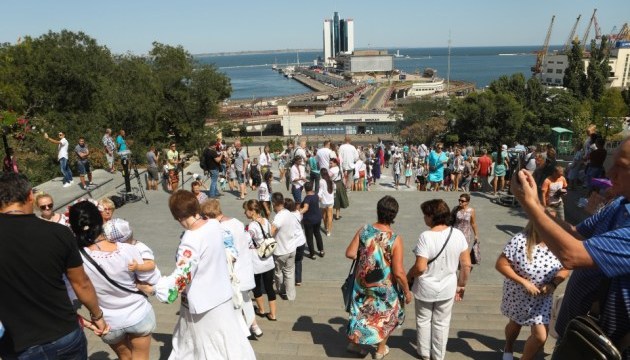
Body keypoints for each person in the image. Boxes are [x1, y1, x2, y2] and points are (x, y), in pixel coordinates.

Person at [510, 136, 630, 360]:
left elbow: (572, 255)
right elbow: (575, 234)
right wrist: (535, 202)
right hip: (580, 333)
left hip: (607, 346)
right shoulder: (619, 204)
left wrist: (527, 204)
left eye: (621, 167)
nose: (610, 173)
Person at [0, 172, 108, 358]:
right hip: (63, 333)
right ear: (30, 197)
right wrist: (97, 316)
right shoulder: (59, 233)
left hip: (17, 342)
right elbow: (81, 283)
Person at [137, 190, 256, 359]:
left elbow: (182, 277)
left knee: (203, 346)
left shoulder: (190, 239)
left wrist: (154, 288)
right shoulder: (214, 224)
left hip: (203, 302)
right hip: (222, 293)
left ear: (178, 216)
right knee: (227, 341)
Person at [70, 201, 160, 359]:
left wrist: (90, 324)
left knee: (125, 357)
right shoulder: (128, 249)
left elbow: (71, 296)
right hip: (138, 313)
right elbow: (151, 278)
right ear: (100, 221)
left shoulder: (76, 260)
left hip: (108, 322)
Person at [345, 196, 412, 359]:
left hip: (362, 283)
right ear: (394, 215)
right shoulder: (395, 239)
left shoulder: (365, 230)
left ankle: (354, 344)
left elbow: (350, 253)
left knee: (361, 312)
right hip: (384, 288)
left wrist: (367, 256)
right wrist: (407, 291)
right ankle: (380, 350)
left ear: (377, 210)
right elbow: (398, 272)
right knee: (389, 314)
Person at [407, 199, 471, 360]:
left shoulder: (426, 236)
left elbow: (420, 267)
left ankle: (424, 352)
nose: (424, 219)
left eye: (425, 215)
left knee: (423, 320)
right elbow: (466, 264)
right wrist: (461, 285)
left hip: (426, 287)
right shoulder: (458, 234)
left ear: (431, 216)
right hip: (448, 286)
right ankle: (438, 355)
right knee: (442, 322)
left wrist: (409, 275)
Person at [496, 221, 569, 360]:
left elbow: (566, 267)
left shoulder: (557, 243)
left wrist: (554, 283)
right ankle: (509, 346)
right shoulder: (520, 240)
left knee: (540, 336)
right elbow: (501, 264)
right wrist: (524, 282)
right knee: (515, 324)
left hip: (543, 297)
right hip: (518, 293)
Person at [202, 199, 262, 338]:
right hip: (246, 267)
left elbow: (224, 252)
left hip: (233, 271)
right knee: (245, 299)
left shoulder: (220, 228)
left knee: (235, 303)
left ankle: (243, 332)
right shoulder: (236, 222)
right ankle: (254, 326)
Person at [243, 199, 278, 322]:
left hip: (256, 261)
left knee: (257, 287)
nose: (244, 213)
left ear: (252, 211)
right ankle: (273, 314)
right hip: (269, 260)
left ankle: (262, 310)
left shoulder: (252, 226)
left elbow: (246, 241)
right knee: (269, 287)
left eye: (246, 210)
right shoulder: (266, 221)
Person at [270, 192, 299, 301]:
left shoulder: (279, 216)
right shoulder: (289, 213)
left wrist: (268, 237)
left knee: (278, 272)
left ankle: (280, 290)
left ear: (274, 203)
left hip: (280, 250)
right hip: (292, 248)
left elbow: (272, 229)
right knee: (290, 272)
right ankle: (291, 296)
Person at [300, 181, 324, 258]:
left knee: (309, 237)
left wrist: (298, 212)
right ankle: (321, 250)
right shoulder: (315, 195)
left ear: (305, 189)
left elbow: (306, 208)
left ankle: (312, 254)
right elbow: (320, 199)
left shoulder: (307, 198)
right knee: (317, 234)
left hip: (309, 220)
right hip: (317, 218)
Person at [319, 168, 335, 237]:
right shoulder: (331, 180)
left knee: (324, 215)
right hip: (330, 200)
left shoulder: (321, 181)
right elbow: (334, 188)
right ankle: (329, 231)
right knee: (330, 216)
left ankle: (326, 227)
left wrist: (319, 196)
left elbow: (321, 190)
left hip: (324, 201)